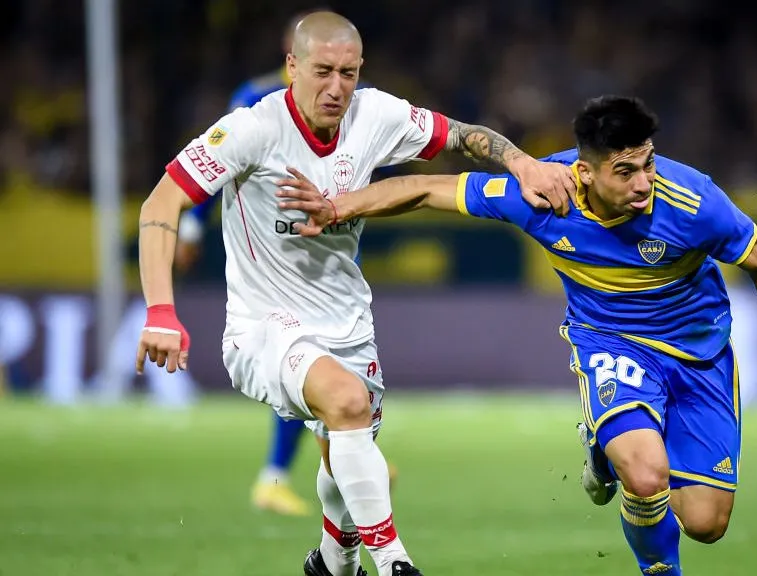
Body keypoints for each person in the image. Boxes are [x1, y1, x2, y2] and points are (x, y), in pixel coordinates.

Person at [275, 95, 757, 576]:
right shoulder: (542, 195)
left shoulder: (695, 201)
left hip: (699, 353)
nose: (643, 183)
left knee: (706, 523)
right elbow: (427, 190)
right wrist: (338, 207)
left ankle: (603, 451)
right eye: (624, 171)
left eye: (648, 164)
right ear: (585, 172)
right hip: (611, 344)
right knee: (646, 475)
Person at [135, 11, 575, 576]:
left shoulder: (375, 114)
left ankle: (333, 563)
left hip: (347, 320)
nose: (336, 87)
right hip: (263, 324)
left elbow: (462, 136)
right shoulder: (252, 128)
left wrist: (522, 163)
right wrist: (161, 311)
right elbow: (161, 201)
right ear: (292, 66)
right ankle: (395, 562)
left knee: (345, 447)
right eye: (323, 71)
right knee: (346, 404)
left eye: (348, 73)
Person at [175, 9, 321, 519]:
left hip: (329, 247)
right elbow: (213, 164)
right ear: (292, 53)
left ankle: (338, 450)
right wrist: (191, 225)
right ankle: (299, 467)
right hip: (273, 255)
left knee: (330, 363)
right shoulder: (256, 98)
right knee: (302, 360)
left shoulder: (351, 99)